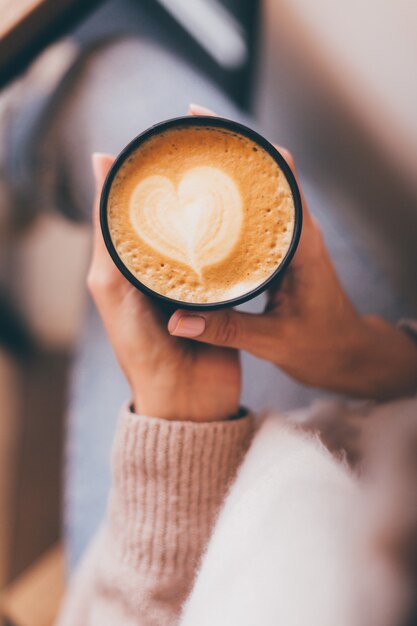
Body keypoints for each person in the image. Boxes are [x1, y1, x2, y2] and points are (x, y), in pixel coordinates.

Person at [55, 100, 417, 625]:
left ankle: (26, 138)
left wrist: (180, 426)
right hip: (365, 404)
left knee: (109, 83)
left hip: (175, 547)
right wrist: (369, 356)